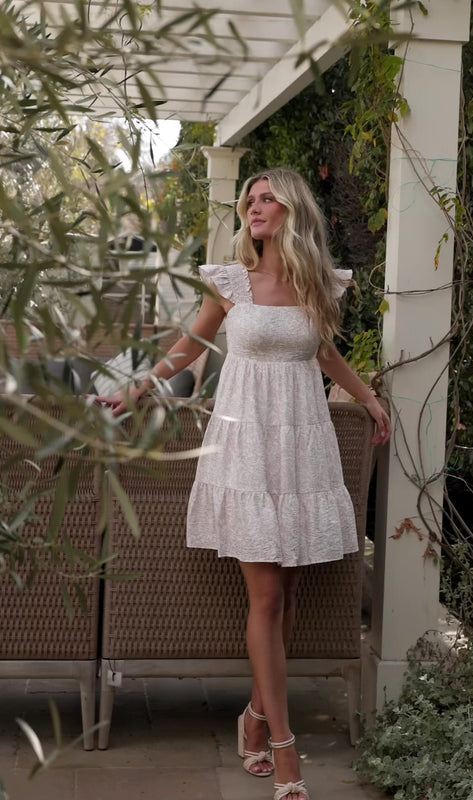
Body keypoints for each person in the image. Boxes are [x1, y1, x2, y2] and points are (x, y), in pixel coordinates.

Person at [98, 168, 391, 800]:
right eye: (249, 200)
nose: (253, 209)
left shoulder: (320, 284)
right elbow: (189, 345)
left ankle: (256, 716)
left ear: (292, 210)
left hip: (303, 444)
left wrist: (367, 398)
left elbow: (323, 354)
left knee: (288, 592)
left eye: (266, 199)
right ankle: (284, 748)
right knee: (266, 596)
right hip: (248, 445)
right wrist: (138, 388)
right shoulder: (232, 282)